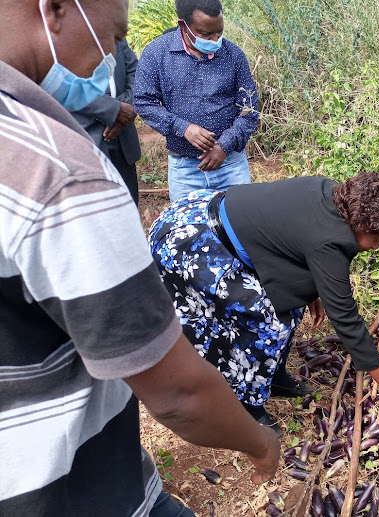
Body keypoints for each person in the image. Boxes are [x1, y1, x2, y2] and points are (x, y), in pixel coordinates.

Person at [0, 1, 279, 515]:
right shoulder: (60, 173)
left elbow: (248, 106)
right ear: (54, 9)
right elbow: (176, 395)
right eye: (110, 37)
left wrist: (228, 143)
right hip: (71, 489)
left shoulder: (233, 57)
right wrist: (261, 444)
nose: (108, 59)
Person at [148, 173, 379, 431]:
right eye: (377, 238)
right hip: (193, 241)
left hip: (203, 216)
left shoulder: (331, 193)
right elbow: (346, 318)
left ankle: (272, 379)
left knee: (288, 308)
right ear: (362, 225)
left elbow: (293, 241)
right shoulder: (332, 241)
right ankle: (246, 403)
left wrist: (314, 289)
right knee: (261, 323)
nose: (376, 246)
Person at [134, 0, 259, 202]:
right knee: (190, 231)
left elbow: (249, 108)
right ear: (183, 25)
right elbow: (143, 102)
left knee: (238, 229)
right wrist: (183, 128)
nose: (215, 39)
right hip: (185, 171)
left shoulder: (234, 55)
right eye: (206, 34)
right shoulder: (156, 54)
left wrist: (224, 146)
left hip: (231, 166)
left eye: (219, 32)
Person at [71, 38, 142, 204]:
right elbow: (66, 86)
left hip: (123, 139)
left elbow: (136, 72)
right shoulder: (63, 38)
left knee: (128, 204)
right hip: (87, 136)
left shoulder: (115, 37)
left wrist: (123, 109)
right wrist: (114, 110)